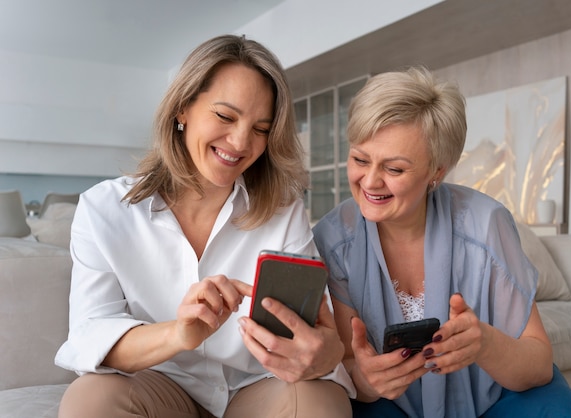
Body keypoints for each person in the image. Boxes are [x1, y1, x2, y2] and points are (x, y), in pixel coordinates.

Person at [54, 34, 354, 418]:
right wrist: (178, 333)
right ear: (183, 108)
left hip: (256, 389)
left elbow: (321, 343)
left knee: (322, 401)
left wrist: (322, 355)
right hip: (159, 385)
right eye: (225, 116)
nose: (241, 141)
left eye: (260, 128)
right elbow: (90, 334)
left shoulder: (284, 210)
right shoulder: (104, 209)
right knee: (89, 400)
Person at [312, 66, 571, 417]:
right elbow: (347, 363)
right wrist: (366, 381)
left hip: (495, 397)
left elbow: (538, 363)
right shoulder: (335, 239)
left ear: (437, 172)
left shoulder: (485, 223)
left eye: (394, 169)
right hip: (389, 404)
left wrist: (484, 344)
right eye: (359, 160)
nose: (370, 181)